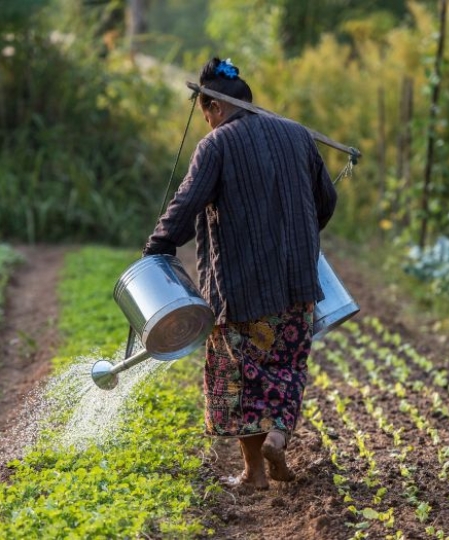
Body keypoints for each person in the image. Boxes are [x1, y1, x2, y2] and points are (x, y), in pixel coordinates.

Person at [143, 57, 338, 490]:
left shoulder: (216, 146)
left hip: (240, 291)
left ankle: (253, 474)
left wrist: (156, 248)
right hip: (297, 286)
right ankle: (279, 435)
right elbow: (326, 200)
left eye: (204, 114)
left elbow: (185, 206)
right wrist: (299, 236)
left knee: (242, 378)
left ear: (214, 106)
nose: (206, 123)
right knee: (287, 367)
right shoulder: (298, 136)